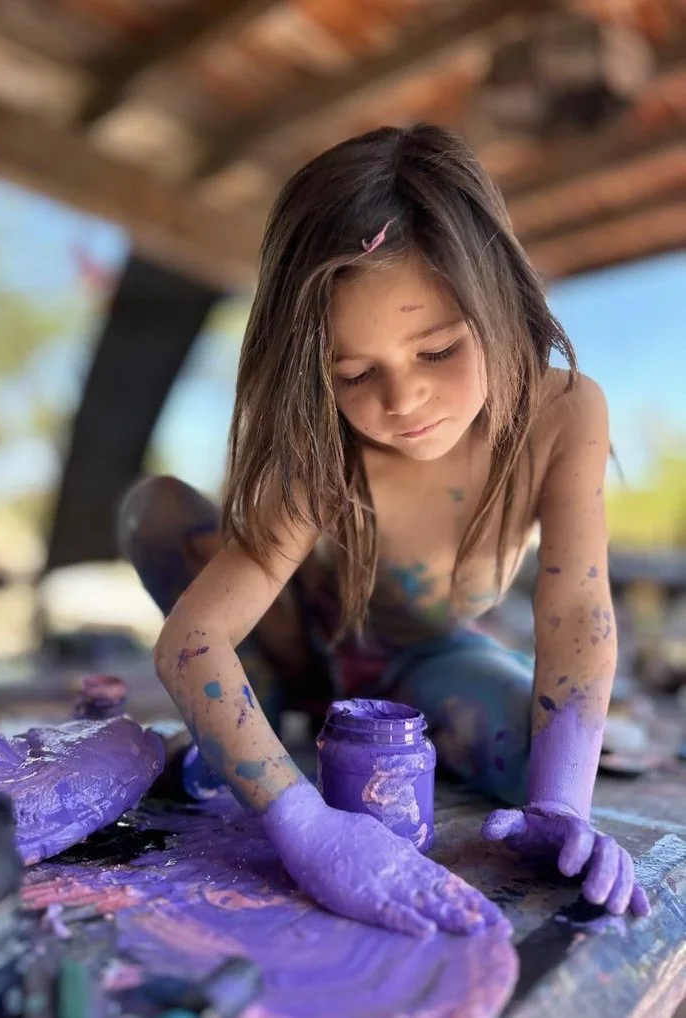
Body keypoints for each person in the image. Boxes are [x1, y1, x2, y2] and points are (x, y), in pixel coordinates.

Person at [119, 123, 650, 937]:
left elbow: (576, 610)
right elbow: (193, 640)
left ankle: (281, 738)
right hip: (292, 643)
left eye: (437, 350)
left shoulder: (564, 411)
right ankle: (256, 728)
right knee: (151, 508)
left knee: (529, 766)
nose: (401, 400)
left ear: (503, 303)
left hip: (421, 662)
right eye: (355, 374)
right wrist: (301, 823)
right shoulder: (322, 445)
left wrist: (562, 806)